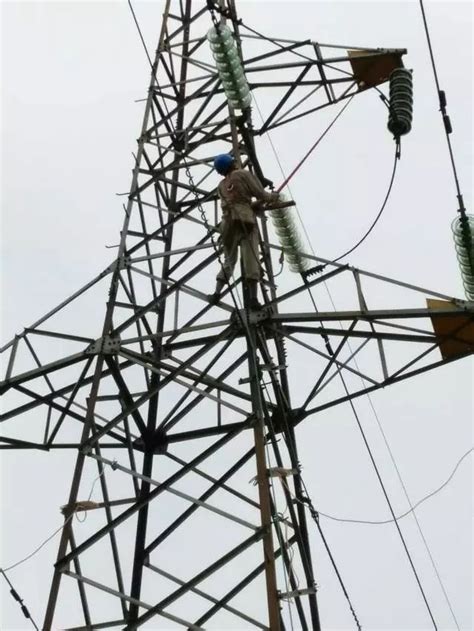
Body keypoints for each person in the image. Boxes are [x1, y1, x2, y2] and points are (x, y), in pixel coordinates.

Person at [209, 154, 279, 308]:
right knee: (250, 257)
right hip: (245, 221)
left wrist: (252, 205)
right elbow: (261, 194)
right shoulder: (243, 174)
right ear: (232, 163)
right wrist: (273, 197)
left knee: (229, 259)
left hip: (227, 224)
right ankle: (253, 299)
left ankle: (216, 293)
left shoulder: (221, 186)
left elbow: (234, 203)